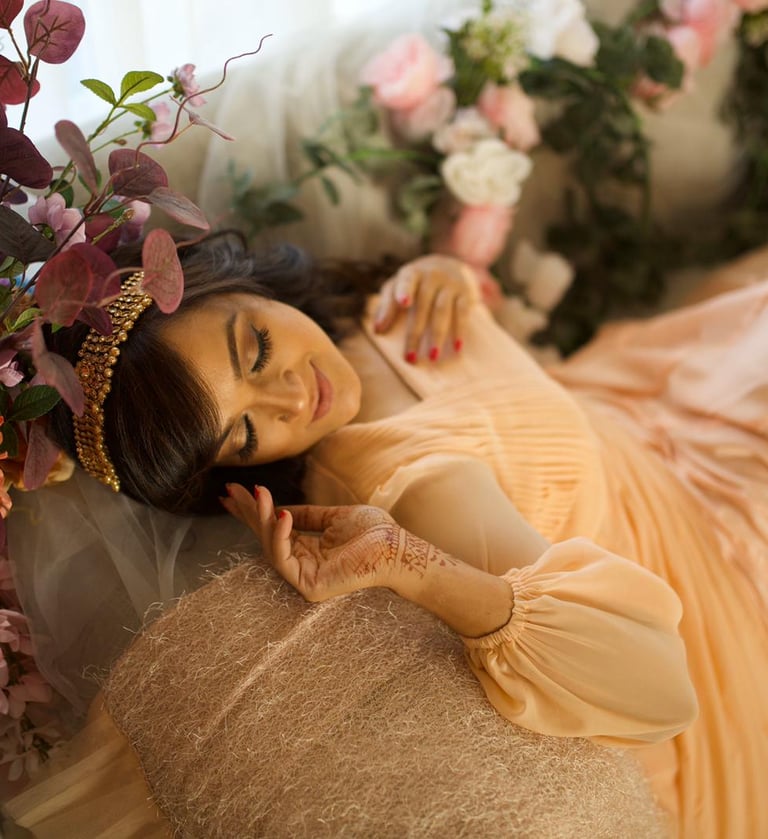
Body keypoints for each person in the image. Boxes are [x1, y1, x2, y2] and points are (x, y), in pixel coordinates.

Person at [7, 232, 768, 837]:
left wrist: (448, 273)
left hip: (663, 423)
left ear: (236, 283)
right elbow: (659, 686)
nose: (290, 400)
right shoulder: (411, 483)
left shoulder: (369, 314)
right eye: (244, 433)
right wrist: (413, 564)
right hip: (716, 595)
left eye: (258, 348)